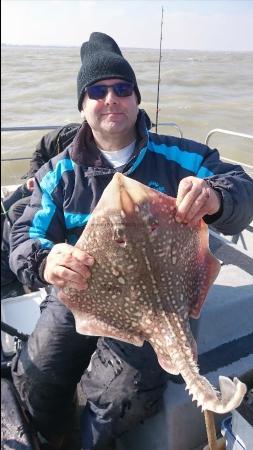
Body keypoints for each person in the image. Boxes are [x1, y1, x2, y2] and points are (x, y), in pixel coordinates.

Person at [9, 32, 253, 450]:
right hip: (83, 292)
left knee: (118, 397)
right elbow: (22, 236)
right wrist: (47, 260)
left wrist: (213, 196)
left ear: (136, 99)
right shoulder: (57, 173)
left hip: (162, 298)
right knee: (38, 372)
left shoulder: (182, 157)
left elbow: (241, 188)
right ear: (83, 106)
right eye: (97, 91)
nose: (111, 99)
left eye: (122, 89)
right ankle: (53, 433)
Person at [1, 123, 80, 295]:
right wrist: (33, 174)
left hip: (63, 193)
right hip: (42, 184)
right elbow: (39, 153)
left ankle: (9, 276)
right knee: (7, 208)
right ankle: (10, 268)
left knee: (15, 211)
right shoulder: (62, 134)